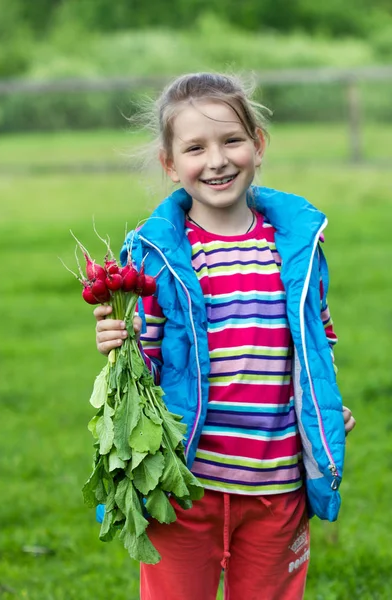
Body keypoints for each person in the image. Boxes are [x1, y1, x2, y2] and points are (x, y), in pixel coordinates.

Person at [94, 72, 356, 600]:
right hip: (185, 484)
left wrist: (325, 406)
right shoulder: (156, 255)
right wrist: (117, 341)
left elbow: (316, 343)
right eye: (195, 148)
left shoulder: (296, 247)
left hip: (276, 487)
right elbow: (143, 362)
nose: (216, 160)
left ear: (257, 146)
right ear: (171, 165)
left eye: (231, 140)